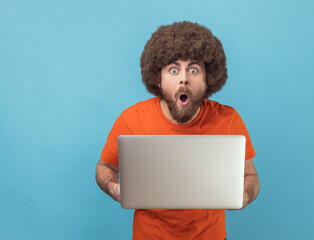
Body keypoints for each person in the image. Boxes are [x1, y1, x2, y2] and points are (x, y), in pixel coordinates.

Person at [95, 21, 260, 240]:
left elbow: (250, 176)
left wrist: (245, 195)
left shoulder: (228, 120)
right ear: (158, 79)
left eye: (193, 70)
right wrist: (114, 188)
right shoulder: (132, 119)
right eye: (174, 70)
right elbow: (104, 166)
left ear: (207, 79)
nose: (184, 78)